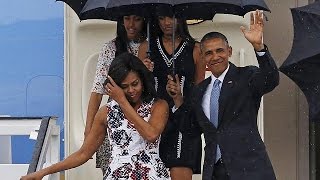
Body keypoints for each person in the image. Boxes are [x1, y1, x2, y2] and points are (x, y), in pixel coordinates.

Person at [20, 53, 170, 180]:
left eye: (135, 84)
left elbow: (151, 135)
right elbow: (84, 154)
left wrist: (122, 101)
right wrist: (42, 172)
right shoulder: (106, 112)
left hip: (151, 175)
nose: (131, 90)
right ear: (114, 86)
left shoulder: (158, 105)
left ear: (143, 80)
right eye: (124, 87)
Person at [170, 10, 279, 180]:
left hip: (248, 169)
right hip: (214, 172)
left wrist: (259, 48)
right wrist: (178, 100)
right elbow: (190, 129)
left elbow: (270, 80)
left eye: (219, 50)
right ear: (203, 57)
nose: (215, 57)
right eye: (209, 53)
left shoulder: (246, 77)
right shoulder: (200, 90)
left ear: (229, 51)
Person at [138, 8, 206, 180]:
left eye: (172, 17)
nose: (167, 23)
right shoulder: (146, 48)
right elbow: (137, 90)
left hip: (184, 121)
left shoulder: (196, 49)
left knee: (180, 171)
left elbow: (199, 90)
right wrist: (143, 73)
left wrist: (180, 96)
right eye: (162, 17)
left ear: (181, 18)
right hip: (153, 121)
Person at [85, 14, 147, 173]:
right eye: (127, 19)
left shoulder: (153, 47)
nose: (131, 24)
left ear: (145, 21)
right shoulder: (110, 48)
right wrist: (89, 131)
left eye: (137, 19)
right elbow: (98, 91)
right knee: (113, 171)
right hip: (114, 120)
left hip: (144, 119)